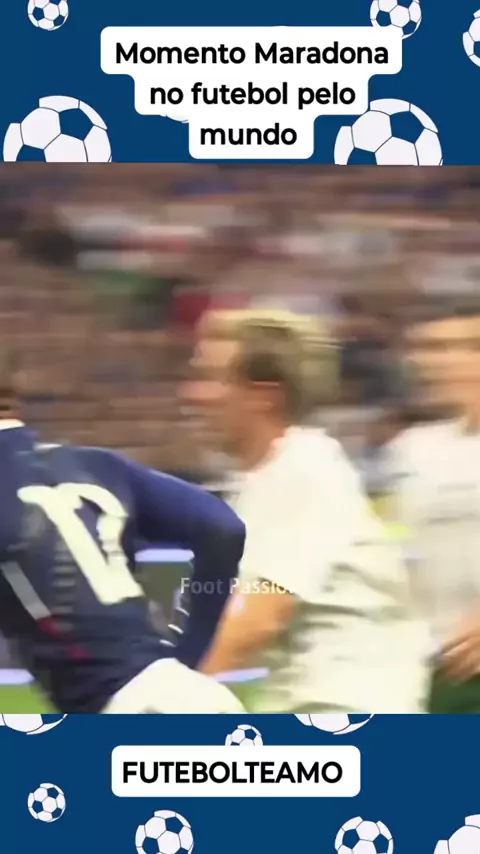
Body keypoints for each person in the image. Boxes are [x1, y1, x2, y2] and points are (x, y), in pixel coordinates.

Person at [183, 308, 429, 713]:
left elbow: (257, 619)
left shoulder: (303, 470)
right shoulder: (268, 478)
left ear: (265, 395)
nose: (193, 394)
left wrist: (160, 701)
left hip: (347, 714)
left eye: (210, 378)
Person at [0, 354, 246, 714]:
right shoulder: (95, 464)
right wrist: (187, 656)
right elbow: (224, 528)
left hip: (131, 714)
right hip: (190, 695)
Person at [387, 301, 480, 713]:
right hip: (430, 664)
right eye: (429, 349)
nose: (439, 362)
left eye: (461, 347)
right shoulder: (411, 450)